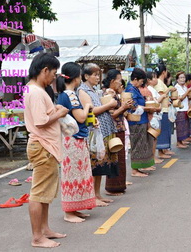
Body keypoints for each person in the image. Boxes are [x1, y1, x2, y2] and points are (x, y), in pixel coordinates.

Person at [24, 53, 68, 248]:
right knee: (39, 193)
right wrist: (59, 113)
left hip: (46, 146)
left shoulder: (37, 90)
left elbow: (42, 116)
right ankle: (37, 237)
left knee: (45, 193)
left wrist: (54, 110)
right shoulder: (35, 92)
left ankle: (45, 230)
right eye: (53, 73)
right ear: (44, 70)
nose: (54, 78)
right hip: (43, 146)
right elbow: (41, 122)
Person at [56, 62, 96, 223]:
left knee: (75, 174)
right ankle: (69, 212)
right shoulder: (71, 94)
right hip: (74, 139)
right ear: (76, 77)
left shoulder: (63, 94)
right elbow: (80, 117)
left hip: (70, 139)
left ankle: (74, 208)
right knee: (73, 174)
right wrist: (87, 107)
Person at [78, 63, 118, 207]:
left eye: (98, 75)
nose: (97, 77)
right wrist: (109, 106)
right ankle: (92, 196)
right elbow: (91, 111)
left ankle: (97, 194)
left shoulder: (93, 90)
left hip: (103, 131)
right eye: (94, 75)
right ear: (86, 76)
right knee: (94, 165)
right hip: (94, 132)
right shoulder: (82, 91)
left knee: (101, 164)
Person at [102, 69, 133, 195]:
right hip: (113, 129)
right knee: (114, 159)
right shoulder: (108, 95)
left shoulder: (116, 93)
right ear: (113, 81)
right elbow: (111, 115)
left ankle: (120, 185)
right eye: (119, 80)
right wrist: (123, 107)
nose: (121, 83)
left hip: (119, 128)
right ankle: (112, 187)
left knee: (120, 160)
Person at [125, 68, 155, 177]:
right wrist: (148, 108)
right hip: (136, 122)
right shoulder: (130, 90)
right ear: (136, 79)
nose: (142, 84)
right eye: (141, 81)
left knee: (143, 144)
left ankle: (142, 165)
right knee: (137, 144)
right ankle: (135, 169)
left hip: (141, 120)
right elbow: (134, 107)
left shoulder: (135, 89)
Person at [154, 64, 175, 158]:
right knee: (162, 131)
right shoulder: (158, 82)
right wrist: (169, 89)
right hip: (161, 110)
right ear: (164, 72)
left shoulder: (161, 83)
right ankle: (160, 152)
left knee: (165, 130)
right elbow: (160, 95)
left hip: (165, 108)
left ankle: (164, 150)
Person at [146, 71, 166, 164]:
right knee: (153, 137)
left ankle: (153, 156)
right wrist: (163, 96)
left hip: (157, 115)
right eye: (154, 78)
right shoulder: (149, 89)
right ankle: (152, 157)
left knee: (155, 137)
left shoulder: (152, 89)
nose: (156, 79)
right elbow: (155, 102)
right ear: (149, 80)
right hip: (153, 116)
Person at [174, 71, 191, 148]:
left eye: (183, 77)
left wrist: (189, 106)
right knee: (180, 127)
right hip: (179, 109)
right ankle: (179, 142)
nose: (182, 79)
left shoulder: (185, 87)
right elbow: (180, 98)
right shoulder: (176, 87)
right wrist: (187, 92)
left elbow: (187, 98)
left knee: (185, 126)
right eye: (181, 77)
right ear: (177, 79)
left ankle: (182, 141)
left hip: (185, 109)